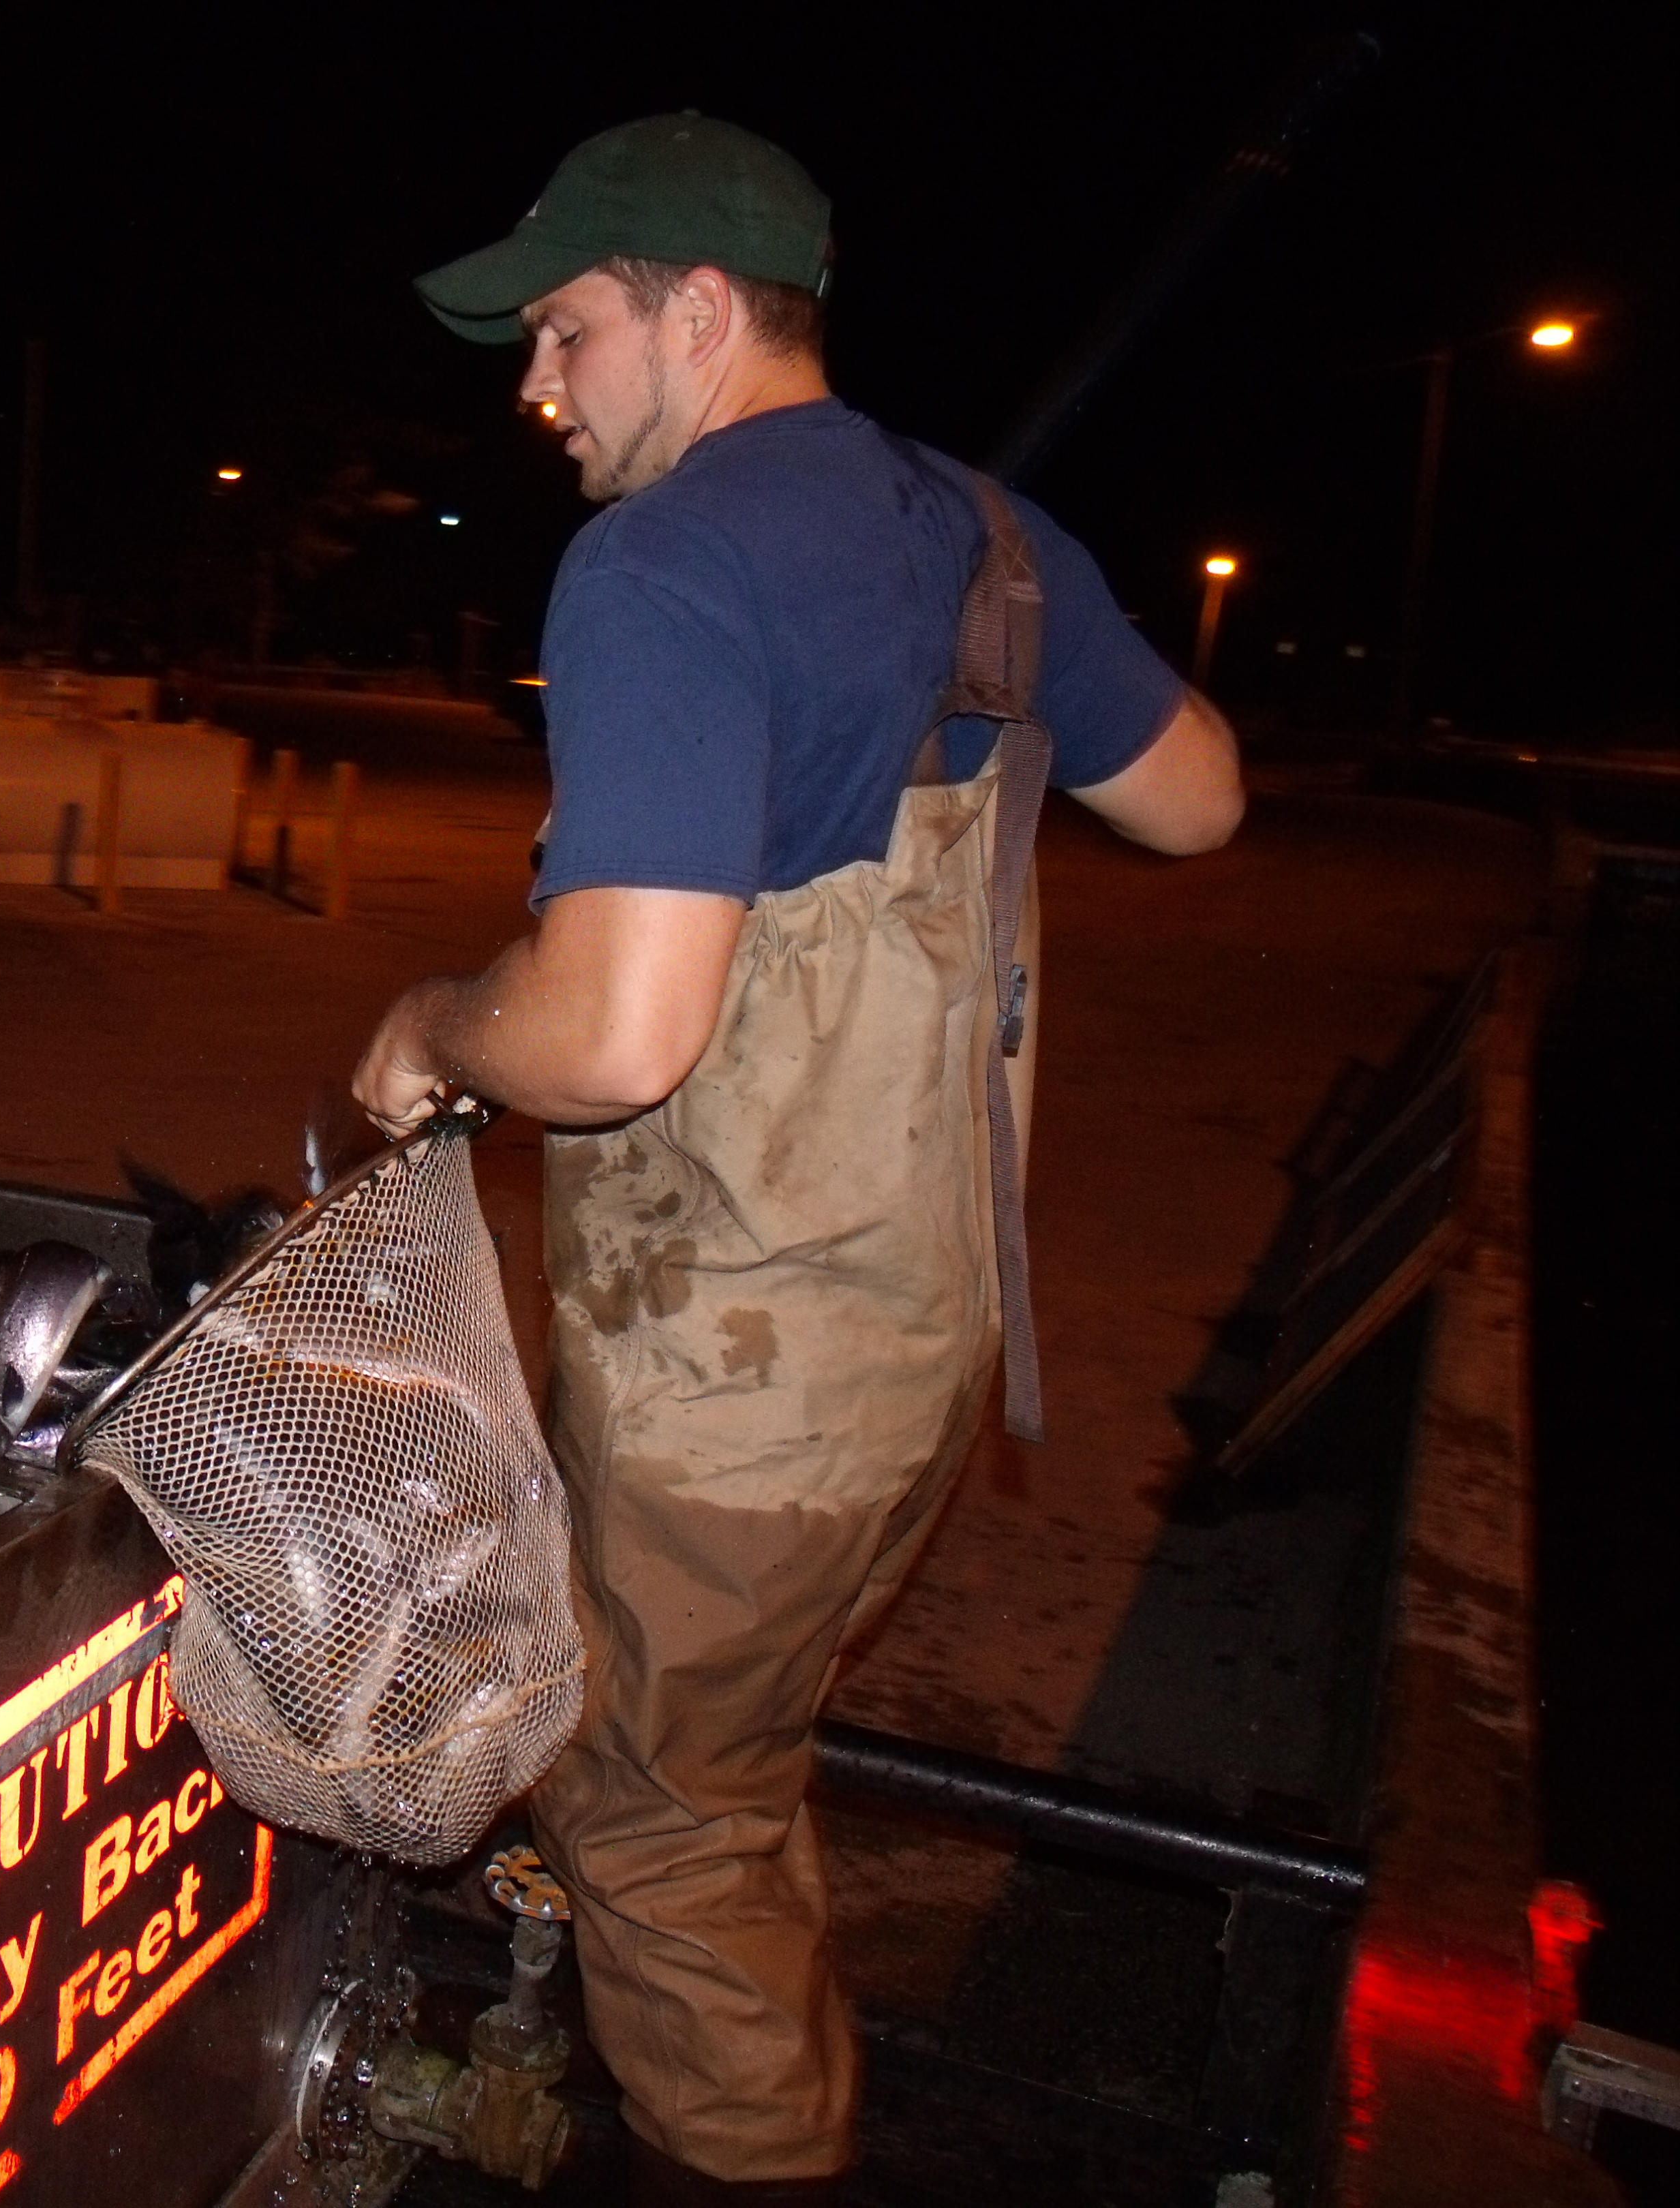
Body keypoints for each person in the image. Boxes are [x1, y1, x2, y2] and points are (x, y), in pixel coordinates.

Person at [351, 113, 1243, 2199]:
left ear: (695, 310)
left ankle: (748, 2158)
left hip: (735, 1393)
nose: (539, 385)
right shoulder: (990, 541)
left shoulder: (662, 561)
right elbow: (1198, 799)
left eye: (568, 330)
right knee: (727, 1771)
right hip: (918, 1356)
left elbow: (620, 1032)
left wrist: (428, 1028)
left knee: (663, 1814)